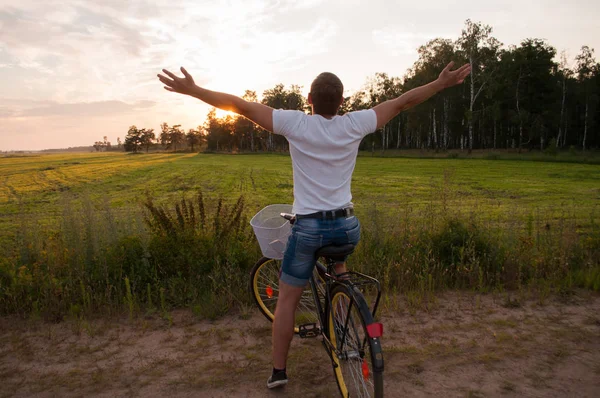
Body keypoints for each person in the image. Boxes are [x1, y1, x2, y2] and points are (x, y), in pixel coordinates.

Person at [157, 61, 471, 389]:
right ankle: (345, 326)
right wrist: (438, 84)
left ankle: (279, 372)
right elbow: (403, 101)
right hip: (347, 226)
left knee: (287, 300)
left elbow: (240, 106)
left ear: (309, 98)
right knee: (339, 268)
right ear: (342, 102)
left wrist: (194, 90)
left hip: (308, 229)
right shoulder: (355, 123)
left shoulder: (296, 124)